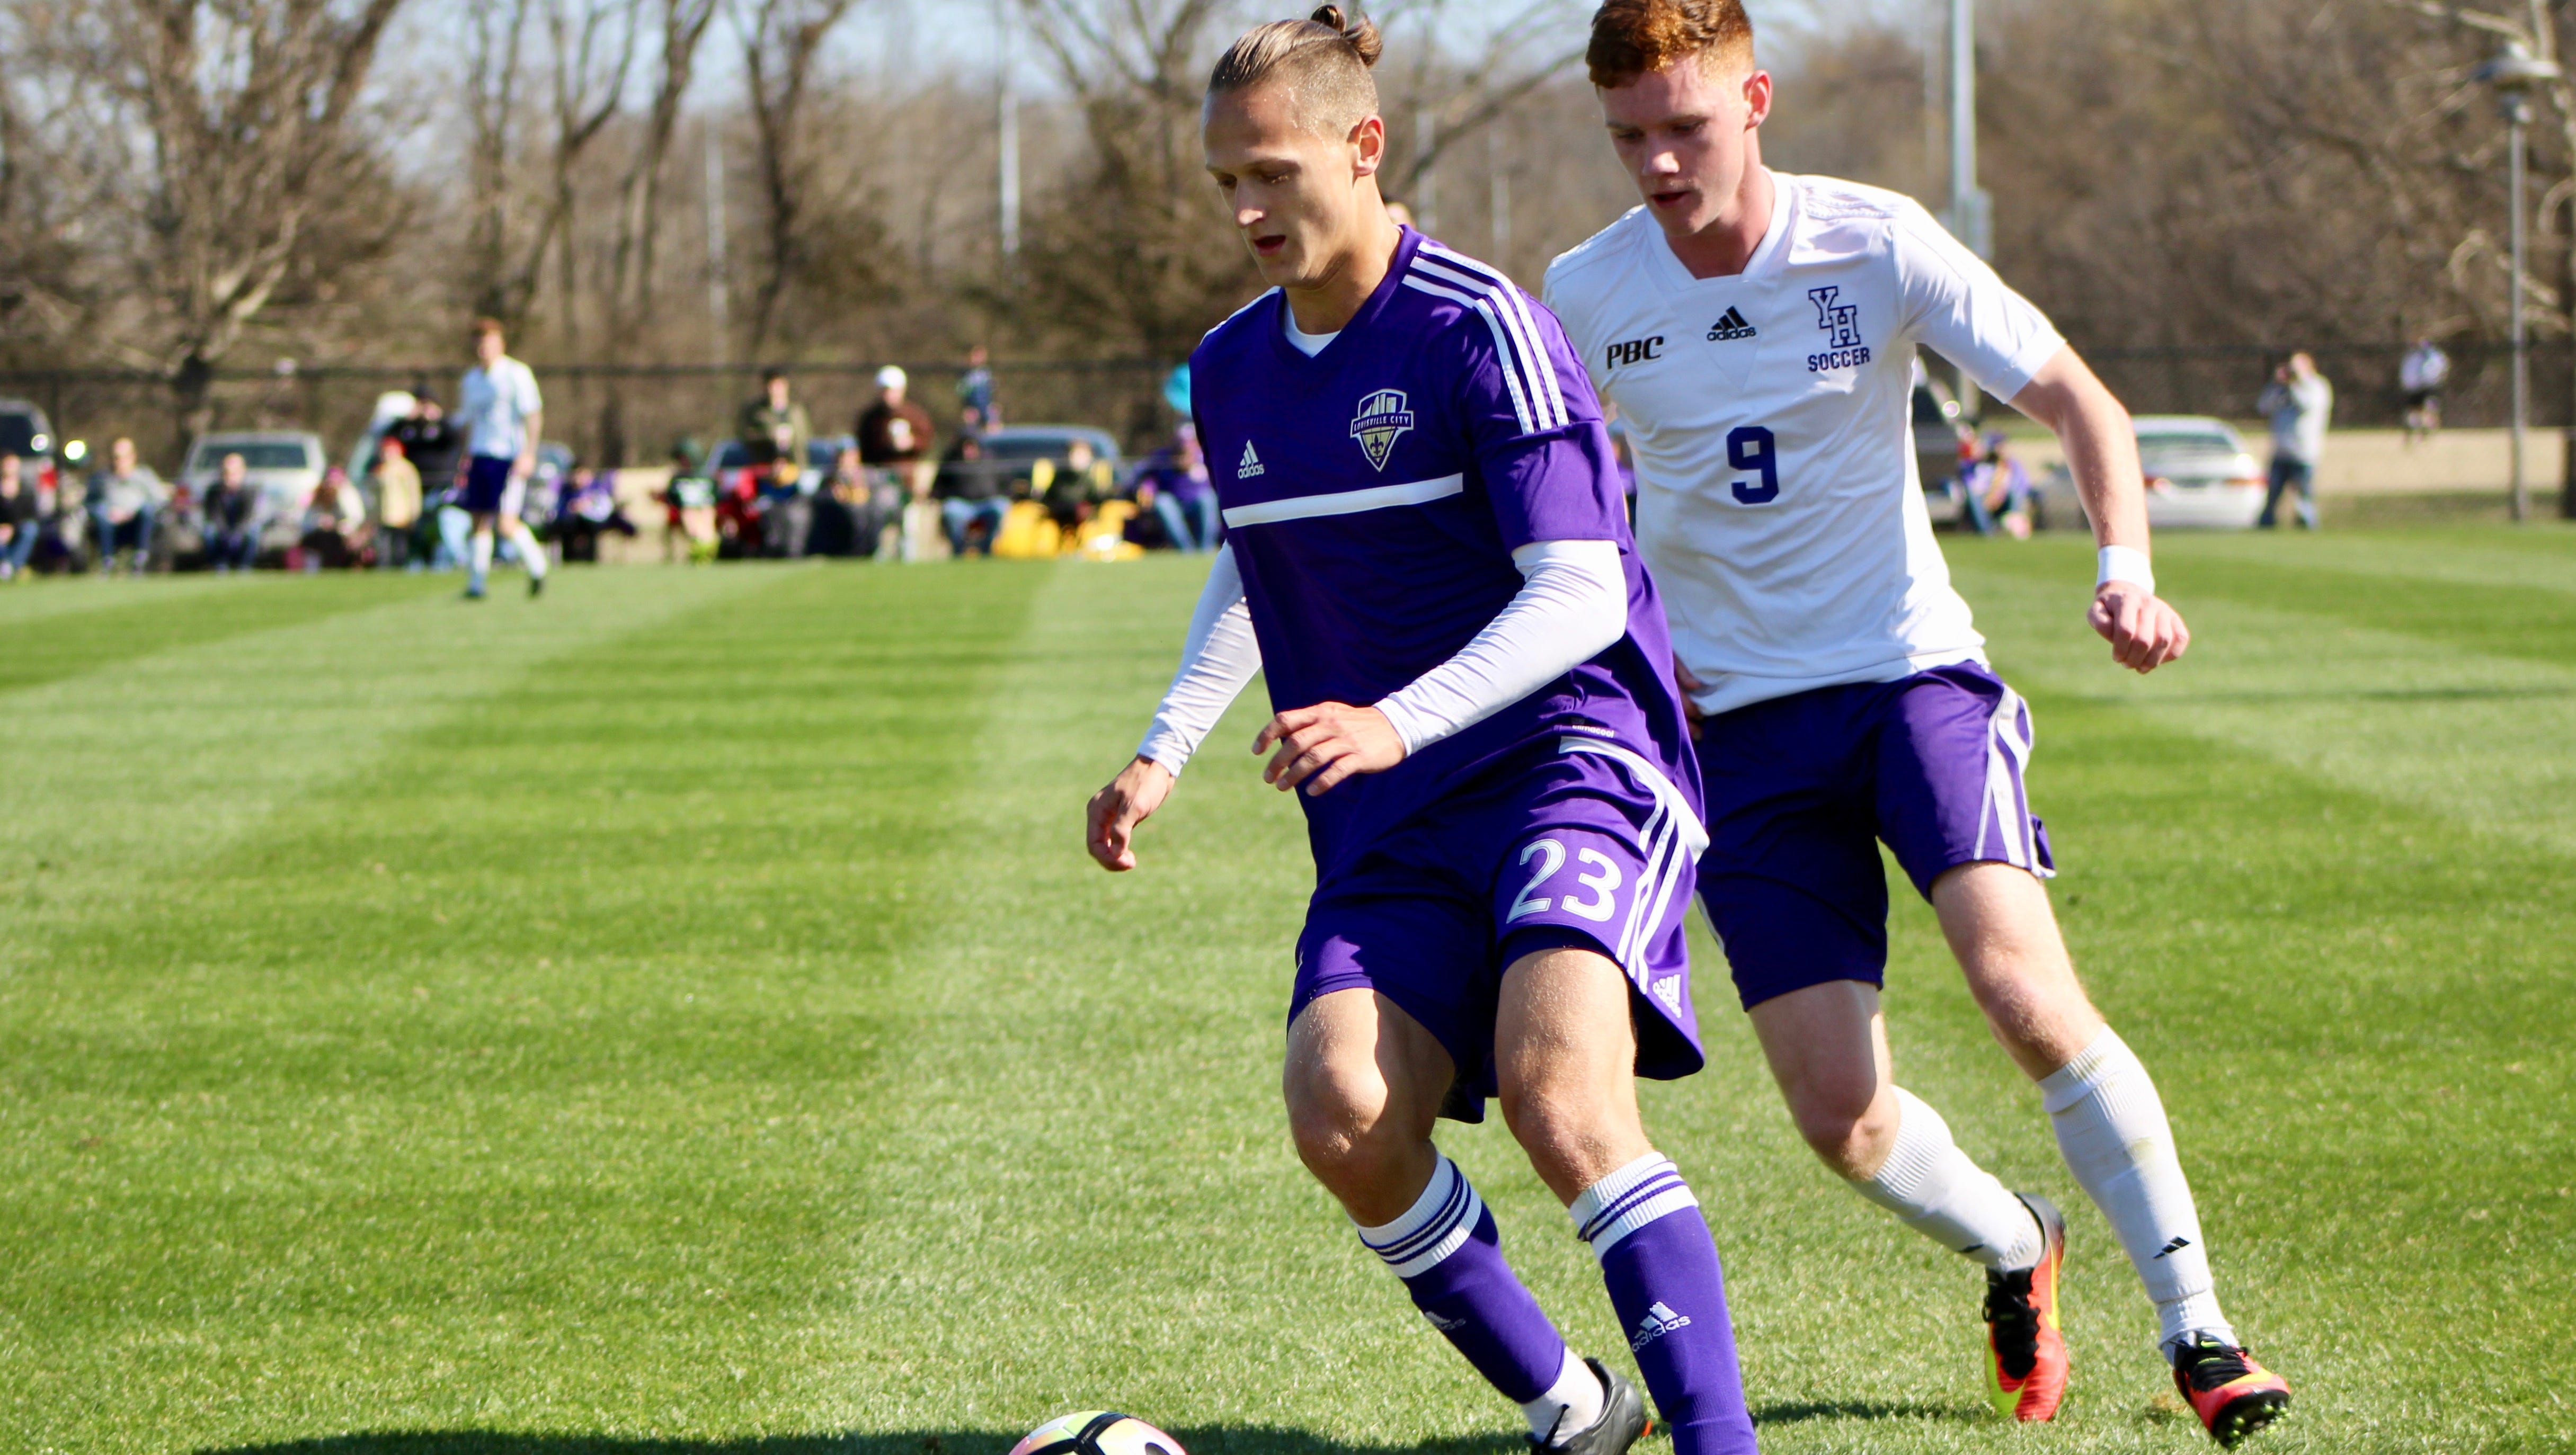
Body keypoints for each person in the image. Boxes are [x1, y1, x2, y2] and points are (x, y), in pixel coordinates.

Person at [1541, 2, 2289, 1445]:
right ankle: (2016, 1242)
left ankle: (2199, 1327)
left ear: (1753, 98)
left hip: (1908, 681)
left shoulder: (1870, 239)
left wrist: (2120, 572)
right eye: (1627, 136)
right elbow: (1547, 501)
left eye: (1683, 127)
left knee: (2018, 986)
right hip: (1735, 741)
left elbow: (2079, 397)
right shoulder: (1585, 292)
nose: (1655, 162)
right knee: (1839, 1118)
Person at [1085, 12, 1755, 1455]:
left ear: (1361, 145)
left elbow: (1579, 588)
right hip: (1390, 818)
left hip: (1567, 766)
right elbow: (1258, 559)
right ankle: (1574, 1412)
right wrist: (1164, 746)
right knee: (1338, 1114)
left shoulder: (1477, 326)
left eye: (1270, 172)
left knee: (1559, 1096)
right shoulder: (1230, 366)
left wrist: (1394, 718)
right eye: (1224, 186)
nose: (1248, 211)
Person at [457, 318, 553, 598]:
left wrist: (529, 453)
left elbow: (533, 414)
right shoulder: (471, 380)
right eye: (479, 342)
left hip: (508, 456)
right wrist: (465, 457)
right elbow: (469, 421)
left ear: (500, 343)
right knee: (478, 519)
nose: (483, 348)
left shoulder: (516, 374)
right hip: (480, 455)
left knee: (506, 523)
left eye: (489, 341)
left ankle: (538, 567)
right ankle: (477, 584)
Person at [2257, 352, 2330, 531]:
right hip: (2281, 451)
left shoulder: (2316, 386)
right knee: (2272, 494)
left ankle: (2307, 524)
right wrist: (2276, 385)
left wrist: (2295, 384)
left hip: (2304, 452)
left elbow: (2306, 405)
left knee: (2304, 495)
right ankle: (2267, 523)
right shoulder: (2281, 389)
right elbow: (2263, 407)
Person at [1134, 422, 1220, 551]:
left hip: (1197, 503)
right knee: (1163, 501)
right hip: (1174, 503)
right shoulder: (1163, 457)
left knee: (1208, 499)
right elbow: (1149, 477)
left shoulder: (1206, 457)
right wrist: (1147, 489)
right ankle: (1186, 550)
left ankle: (1205, 549)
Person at [88, 437, 166, 576]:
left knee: (148, 509)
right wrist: (109, 511)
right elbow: (89, 503)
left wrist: (132, 512)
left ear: (133, 457)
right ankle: (107, 561)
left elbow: (161, 500)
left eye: (124, 458)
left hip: (137, 522)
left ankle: (140, 559)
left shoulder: (144, 475)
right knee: (100, 511)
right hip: (110, 523)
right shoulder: (102, 478)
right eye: (116, 458)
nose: (119, 462)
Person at [933, 431, 1009, 556]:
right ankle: (958, 550)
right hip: (961, 506)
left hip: (986, 505)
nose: (969, 451)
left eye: (972, 447)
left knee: (999, 507)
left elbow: (1006, 485)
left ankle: (987, 549)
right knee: (950, 509)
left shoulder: (991, 461)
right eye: (966, 447)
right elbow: (939, 487)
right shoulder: (952, 463)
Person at [554, 466, 639, 563]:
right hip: (573, 522)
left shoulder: (597, 487)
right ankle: (569, 560)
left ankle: (591, 559)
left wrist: (586, 506)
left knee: (590, 529)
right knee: (567, 527)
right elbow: (560, 509)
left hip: (595, 521)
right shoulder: (567, 490)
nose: (578, 479)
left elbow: (604, 508)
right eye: (576, 475)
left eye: (582, 475)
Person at [1035, 436, 1116, 534]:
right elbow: (1050, 500)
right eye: (1076, 455)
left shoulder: (1095, 478)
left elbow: (1100, 500)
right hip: (1060, 522)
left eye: (1083, 455)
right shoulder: (1060, 477)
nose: (1079, 459)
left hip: (1088, 527)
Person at [201, 452, 264, 573]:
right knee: (209, 531)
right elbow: (214, 516)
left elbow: (248, 517)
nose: (228, 478)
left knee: (254, 531)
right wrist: (224, 533)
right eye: (225, 473)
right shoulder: (214, 492)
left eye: (232, 473)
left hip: (240, 529)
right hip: (223, 530)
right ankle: (219, 565)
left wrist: (238, 533)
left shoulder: (250, 492)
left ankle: (244, 567)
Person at [1962, 432, 2033, 539]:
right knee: (1975, 498)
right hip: (1984, 499)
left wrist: (1999, 492)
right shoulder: (1974, 465)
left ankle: (2015, 526)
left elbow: (2023, 485)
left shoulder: (2012, 464)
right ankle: (1987, 533)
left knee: (2016, 494)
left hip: (2004, 499)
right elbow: (1971, 485)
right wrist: (1990, 495)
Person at [372, 435, 423, 570]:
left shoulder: (406, 469)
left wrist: (414, 512)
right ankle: (384, 567)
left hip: (401, 514)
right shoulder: (380, 470)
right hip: (384, 515)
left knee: (400, 545)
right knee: (383, 545)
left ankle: (399, 567)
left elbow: (413, 493)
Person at [298, 467, 363, 570]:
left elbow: (356, 518)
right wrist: (320, 522)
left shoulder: (346, 495)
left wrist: (338, 525)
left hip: (342, 535)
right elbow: (307, 522)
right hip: (319, 535)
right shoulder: (317, 496)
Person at [2399, 337, 2448, 444]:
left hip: (2428, 386)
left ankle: (2425, 430)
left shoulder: (2431, 356)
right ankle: (2419, 431)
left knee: (2428, 410)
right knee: (2416, 412)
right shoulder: (2413, 356)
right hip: (2417, 387)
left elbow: (2440, 369)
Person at [0, 453, 36, 581]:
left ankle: (11, 565)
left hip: (17, 527)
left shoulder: (25, 488)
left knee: (31, 529)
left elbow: (31, 514)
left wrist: (13, 528)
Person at [957, 344, 999, 431]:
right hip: (972, 407)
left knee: (993, 414)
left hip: (986, 406)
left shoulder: (986, 373)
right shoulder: (966, 374)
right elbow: (960, 391)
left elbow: (991, 391)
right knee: (970, 418)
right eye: (976, 356)